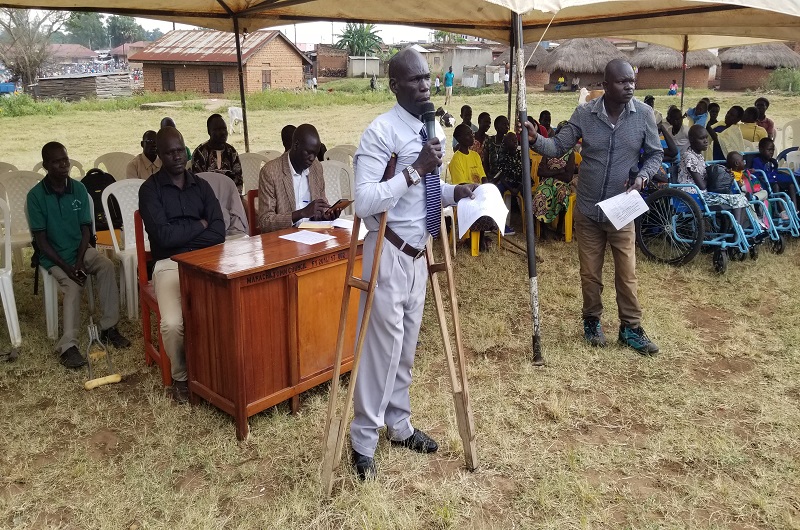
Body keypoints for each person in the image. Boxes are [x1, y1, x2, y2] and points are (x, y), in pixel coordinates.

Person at [349, 47, 477, 481]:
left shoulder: (431, 128)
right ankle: (363, 441)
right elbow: (364, 201)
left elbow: (428, 191)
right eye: (415, 79)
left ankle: (399, 426)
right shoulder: (379, 132)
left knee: (405, 349)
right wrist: (413, 171)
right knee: (380, 351)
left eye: (428, 76)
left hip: (420, 252)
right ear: (395, 86)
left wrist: (456, 193)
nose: (426, 84)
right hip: (386, 251)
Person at [526, 58, 662, 355]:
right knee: (590, 273)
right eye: (622, 81)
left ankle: (630, 328)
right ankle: (592, 321)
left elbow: (655, 155)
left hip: (621, 210)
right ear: (605, 84)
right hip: (588, 210)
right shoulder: (585, 114)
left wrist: (642, 176)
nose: (629, 86)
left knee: (626, 272)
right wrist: (536, 139)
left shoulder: (643, 115)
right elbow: (557, 147)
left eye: (632, 81)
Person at [139, 126, 226, 403]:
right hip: (168, 264)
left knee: (225, 312)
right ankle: (181, 377)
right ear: (160, 155)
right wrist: (199, 225)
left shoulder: (201, 186)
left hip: (207, 261)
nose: (176, 157)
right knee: (173, 324)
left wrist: (186, 236)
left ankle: (217, 370)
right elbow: (162, 238)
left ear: (186, 150)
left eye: (180, 151)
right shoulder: (150, 190)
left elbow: (219, 232)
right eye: (169, 153)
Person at [27, 142, 130, 369]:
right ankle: (68, 347)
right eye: (56, 161)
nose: (63, 165)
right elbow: (42, 242)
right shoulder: (35, 196)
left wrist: (78, 260)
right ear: (46, 165)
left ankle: (108, 327)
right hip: (52, 256)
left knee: (105, 264)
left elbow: (86, 230)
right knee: (72, 287)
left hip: (79, 250)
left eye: (65, 159)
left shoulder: (79, 189)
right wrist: (68, 267)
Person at [257, 124, 339, 233]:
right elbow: (265, 221)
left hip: (314, 236)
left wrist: (327, 216)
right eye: (309, 152)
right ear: (295, 145)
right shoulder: (270, 172)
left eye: (315, 154)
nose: (312, 158)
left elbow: (322, 206)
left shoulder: (316, 167)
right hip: (284, 240)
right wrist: (302, 213)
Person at [533, 121, 574, 238]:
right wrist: (559, 171)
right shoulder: (550, 150)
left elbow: (568, 176)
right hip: (546, 182)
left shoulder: (570, 153)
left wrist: (549, 173)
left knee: (562, 195)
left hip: (562, 184)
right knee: (541, 194)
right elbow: (540, 172)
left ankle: (559, 230)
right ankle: (543, 231)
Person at [192, 114, 244, 193]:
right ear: (209, 132)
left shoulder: (231, 152)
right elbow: (198, 182)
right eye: (218, 129)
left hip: (230, 197)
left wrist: (234, 198)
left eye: (224, 129)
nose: (223, 132)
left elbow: (238, 180)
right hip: (207, 199)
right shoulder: (200, 153)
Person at [751, 137, 795, 217]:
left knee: (791, 184)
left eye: (772, 150)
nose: (771, 152)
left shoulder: (772, 161)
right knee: (776, 185)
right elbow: (757, 176)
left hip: (772, 180)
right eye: (769, 150)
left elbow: (774, 173)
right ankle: (781, 210)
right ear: (761, 150)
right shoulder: (757, 161)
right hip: (764, 184)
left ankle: (795, 208)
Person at [482, 115, 510, 180]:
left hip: (506, 179)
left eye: (507, 124)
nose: (507, 127)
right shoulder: (489, 141)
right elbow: (485, 161)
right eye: (504, 124)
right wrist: (487, 175)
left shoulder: (508, 141)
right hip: (491, 177)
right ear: (496, 127)